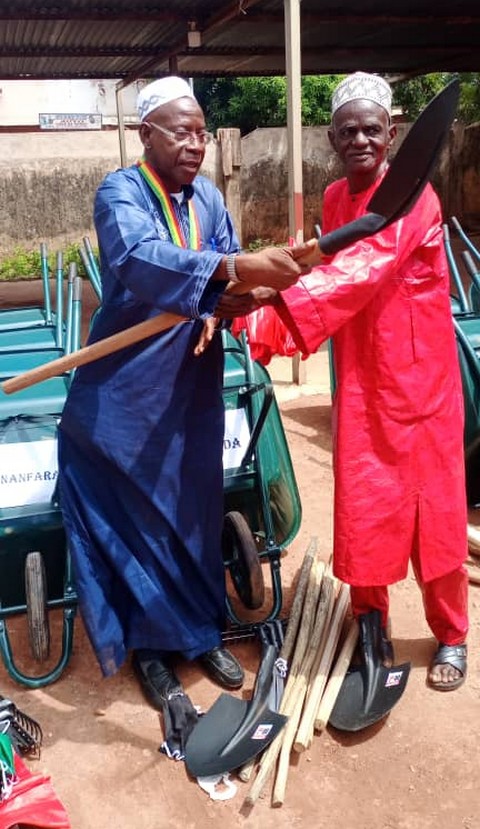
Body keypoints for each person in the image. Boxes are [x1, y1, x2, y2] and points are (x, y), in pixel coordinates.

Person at [57, 76, 313, 709]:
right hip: (126, 389)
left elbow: (228, 277)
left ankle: (200, 633)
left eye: (202, 133)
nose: (197, 144)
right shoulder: (121, 192)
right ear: (147, 134)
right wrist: (232, 271)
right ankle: (151, 650)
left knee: (193, 507)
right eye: (182, 132)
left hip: (192, 383)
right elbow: (139, 258)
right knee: (137, 520)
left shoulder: (209, 199)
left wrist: (242, 295)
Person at [250, 72, 469, 690]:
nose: (361, 140)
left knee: (435, 513)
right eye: (348, 131)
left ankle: (451, 633)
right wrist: (269, 278)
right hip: (363, 382)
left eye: (372, 129)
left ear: (391, 133)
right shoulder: (334, 200)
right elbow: (328, 263)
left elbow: (359, 272)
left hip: (421, 386)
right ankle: (370, 626)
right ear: (332, 138)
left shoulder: (415, 197)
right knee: (365, 507)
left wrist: (273, 310)